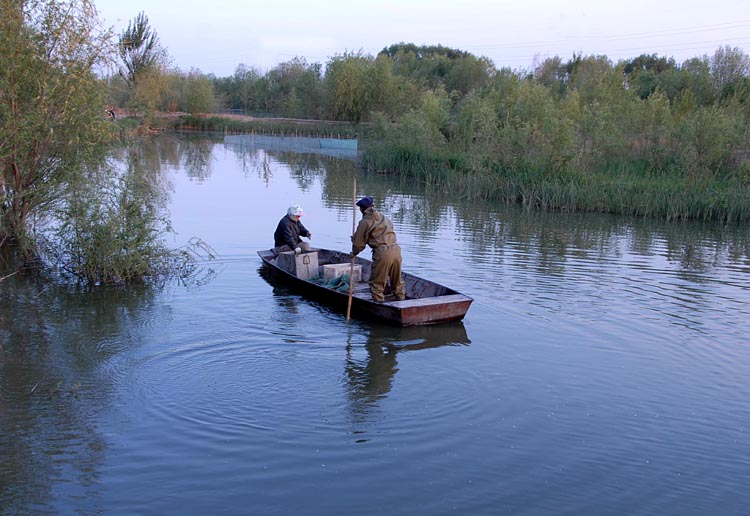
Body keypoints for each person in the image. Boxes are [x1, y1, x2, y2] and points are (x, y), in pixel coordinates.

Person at [351, 196, 406, 303]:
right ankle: (401, 301)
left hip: (383, 253)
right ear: (373, 206)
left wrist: (353, 253)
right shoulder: (383, 217)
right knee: (397, 281)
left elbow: (359, 244)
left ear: (361, 209)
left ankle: (379, 304)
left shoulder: (365, 222)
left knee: (377, 284)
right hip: (396, 250)